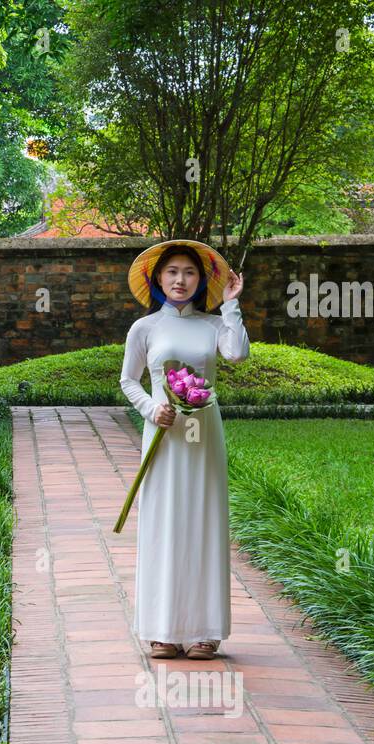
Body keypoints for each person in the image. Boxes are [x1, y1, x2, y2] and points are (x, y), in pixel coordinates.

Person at [118, 240, 250, 660]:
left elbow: (238, 354)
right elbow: (128, 381)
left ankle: (204, 631)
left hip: (204, 434)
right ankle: (163, 630)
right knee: (164, 522)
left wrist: (231, 305)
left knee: (204, 523)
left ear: (202, 280)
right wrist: (150, 409)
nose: (180, 280)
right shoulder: (145, 329)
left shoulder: (212, 326)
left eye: (189, 273)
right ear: (158, 278)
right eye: (172, 272)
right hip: (165, 435)